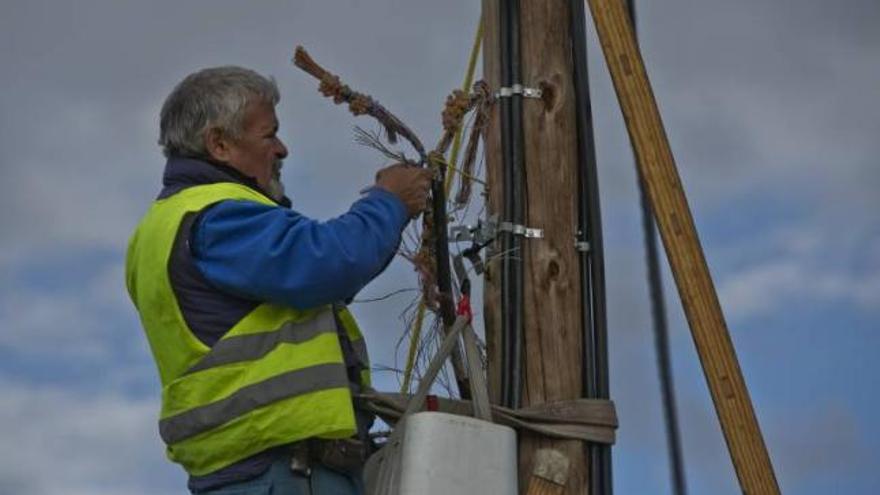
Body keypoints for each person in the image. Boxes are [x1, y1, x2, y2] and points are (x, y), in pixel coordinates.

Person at [125, 66, 432, 494]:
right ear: (219, 144)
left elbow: (326, 276)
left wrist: (387, 219)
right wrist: (388, 203)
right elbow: (325, 263)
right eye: (269, 135)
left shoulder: (172, 223)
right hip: (280, 473)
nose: (282, 149)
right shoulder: (216, 217)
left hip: (261, 473)